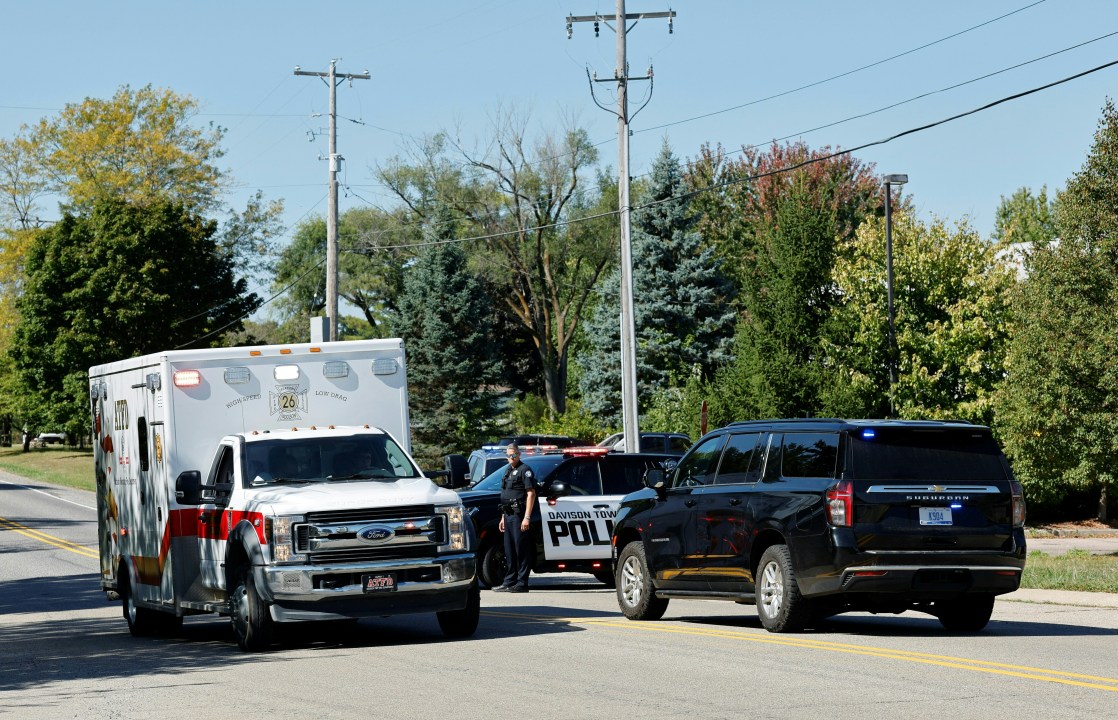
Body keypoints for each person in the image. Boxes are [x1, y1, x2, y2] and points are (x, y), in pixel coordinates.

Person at [493, 443, 537, 593]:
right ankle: (509, 581)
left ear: (519, 455)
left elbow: (531, 493)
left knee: (521, 550)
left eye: (513, 455)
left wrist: (527, 517)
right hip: (508, 514)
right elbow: (505, 495)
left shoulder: (525, 470)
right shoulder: (507, 470)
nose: (511, 458)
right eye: (508, 456)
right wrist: (502, 517)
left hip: (519, 515)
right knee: (509, 550)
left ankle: (522, 583)